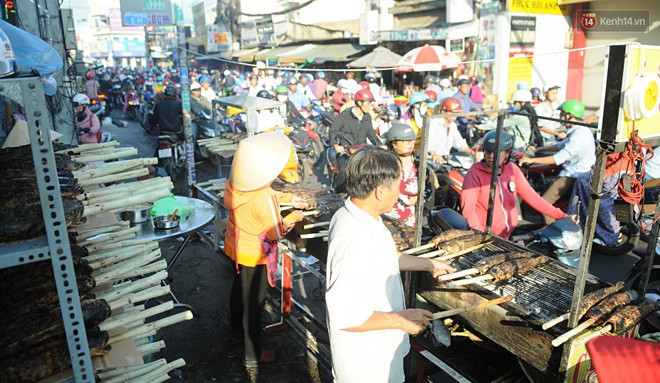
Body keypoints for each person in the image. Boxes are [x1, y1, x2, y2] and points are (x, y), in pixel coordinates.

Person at [325, 146, 455, 382]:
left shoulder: (359, 214)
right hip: (367, 365)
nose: (399, 192)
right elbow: (344, 316)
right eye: (396, 186)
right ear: (380, 192)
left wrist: (427, 264)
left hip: (382, 350)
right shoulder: (352, 240)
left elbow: (383, 255)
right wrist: (400, 319)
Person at [224, 132, 308, 368]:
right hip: (254, 255)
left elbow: (256, 196)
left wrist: (287, 198)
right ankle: (253, 354)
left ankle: (237, 334)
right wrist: (294, 215)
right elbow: (275, 232)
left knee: (238, 292)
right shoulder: (265, 197)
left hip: (235, 247)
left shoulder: (234, 183)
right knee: (254, 303)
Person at [461, 130, 566, 238]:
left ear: (507, 153)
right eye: (488, 151)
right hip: (487, 235)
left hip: (509, 233)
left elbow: (534, 198)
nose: (491, 156)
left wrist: (561, 216)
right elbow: (469, 208)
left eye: (496, 152)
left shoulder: (512, 170)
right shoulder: (474, 174)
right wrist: (480, 235)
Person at [520, 100, 596, 224]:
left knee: (544, 204)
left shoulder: (579, 135)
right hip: (574, 171)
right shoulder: (579, 130)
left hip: (572, 176)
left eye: (562, 114)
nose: (561, 117)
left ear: (569, 115)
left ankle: (553, 236)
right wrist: (539, 149)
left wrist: (530, 160)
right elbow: (560, 145)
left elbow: (557, 159)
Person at [329, 89, 381, 192]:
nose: (370, 106)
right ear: (359, 102)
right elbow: (333, 130)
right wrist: (335, 145)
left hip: (362, 152)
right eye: (368, 103)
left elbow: (371, 134)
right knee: (343, 171)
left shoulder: (367, 117)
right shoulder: (345, 115)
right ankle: (339, 193)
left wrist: (379, 144)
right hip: (345, 152)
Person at [384, 124, 419, 227]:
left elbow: (428, 189)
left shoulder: (419, 165)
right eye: (406, 141)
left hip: (412, 220)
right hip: (388, 218)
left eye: (412, 140)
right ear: (394, 144)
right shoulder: (385, 165)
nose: (410, 144)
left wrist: (418, 198)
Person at [427, 97, 473, 164]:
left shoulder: (453, 126)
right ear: (444, 112)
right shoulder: (434, 123)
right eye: (453, 112)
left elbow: (459, 142)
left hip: (444, 161)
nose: (455, 115)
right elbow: (428, 142)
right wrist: (434, 154)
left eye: (457, 113)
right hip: (430, 161)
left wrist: (470, 151)